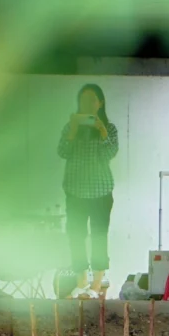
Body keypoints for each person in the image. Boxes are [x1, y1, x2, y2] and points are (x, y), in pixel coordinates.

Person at [58, 84, 118, 295]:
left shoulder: (109, 128)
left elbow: (110, 153)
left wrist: (101, 130)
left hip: (101, 191)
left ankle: (97, 283)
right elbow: (62, 151)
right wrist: (74, 129)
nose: (87, 104)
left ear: (100, 103)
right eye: (83, 100)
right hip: (75, 191)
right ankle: (81, 281)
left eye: (91, 100)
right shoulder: (70, 127)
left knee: (99, 236)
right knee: (76, 235)